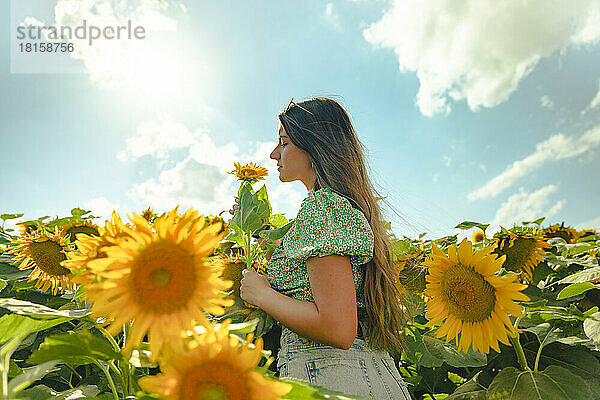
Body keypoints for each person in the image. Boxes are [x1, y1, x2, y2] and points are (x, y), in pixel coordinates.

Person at [230, 97, 412, 399]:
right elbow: (310, 278)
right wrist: (256, 229)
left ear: (313, 145)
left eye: (284, 143)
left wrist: (262, 295)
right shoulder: (336, 207)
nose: (274, 154)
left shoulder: (322, 208)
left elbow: (337, 328)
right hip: (360, 374)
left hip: (332, 375)